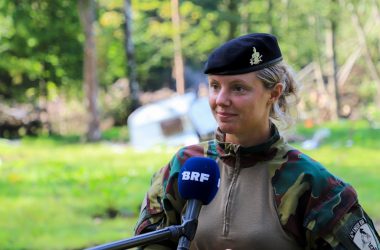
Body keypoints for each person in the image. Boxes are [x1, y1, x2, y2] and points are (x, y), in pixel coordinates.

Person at [134, 33, 380, 249]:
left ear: (274, 93)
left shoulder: (311, 184)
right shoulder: (185, 166)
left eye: (238, 88)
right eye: (214, 86)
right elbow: (150, 242)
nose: (221, 99)